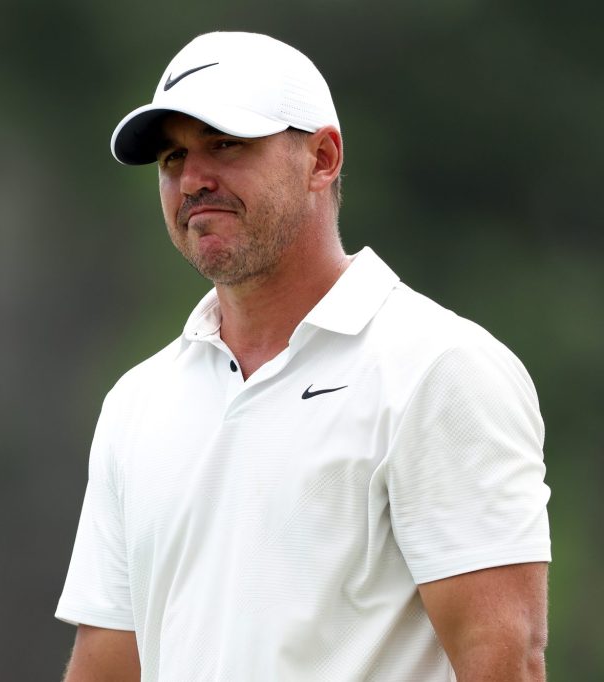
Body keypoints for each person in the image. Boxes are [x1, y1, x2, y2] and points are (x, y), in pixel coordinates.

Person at [55, 31, 551, 681]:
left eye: (225, 145)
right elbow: (109, 663)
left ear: (322, 158)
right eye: (173, 158)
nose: (193, 179)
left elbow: (503, 660)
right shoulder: (136, 402)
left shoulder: (437, 367)